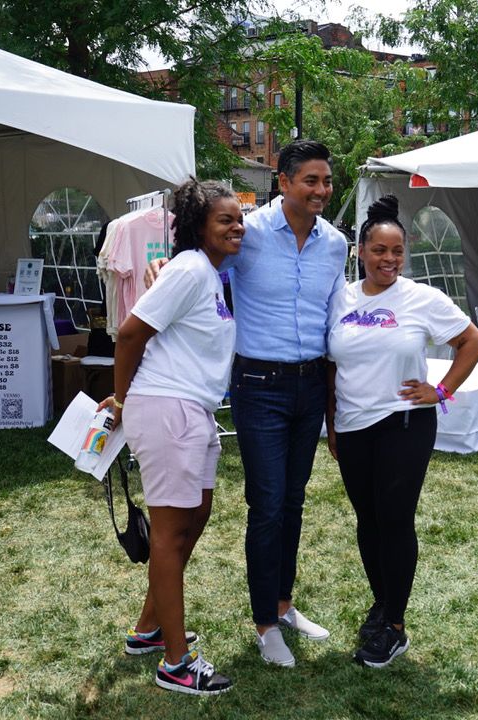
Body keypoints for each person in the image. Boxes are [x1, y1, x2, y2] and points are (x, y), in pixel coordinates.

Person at [144, 140, 346, 667]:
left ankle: (283, 603)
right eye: (311, 181)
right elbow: (200, 269)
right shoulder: (247, 234)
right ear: (283, 182)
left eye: (327, 181)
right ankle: (264, 624)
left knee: (295, 500)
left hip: (310, 383)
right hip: (258, 383)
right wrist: (164, 269)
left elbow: (332, 316)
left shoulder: (335, 245)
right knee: (268, 502)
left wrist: (333, 396)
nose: (322, 190)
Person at [325, 195, 478, 667]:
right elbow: (332, 366)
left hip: (405, 424)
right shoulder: (342, 299)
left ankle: (395, 626)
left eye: (397, 252)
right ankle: (381, 603)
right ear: (361, 251)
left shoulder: (422, 299)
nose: (389, 260)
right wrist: (333, 423)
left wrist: (441, 390)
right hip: (354, 427)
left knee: (394, 521)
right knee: (368, 522)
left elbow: (472, 342)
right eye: (379, 250)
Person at [104, 179, 241, 695]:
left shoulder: (203, 273)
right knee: (169, 532)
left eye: (240, 218)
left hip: (192, 409)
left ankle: (150, 630)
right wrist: (121, 400)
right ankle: (177, 664)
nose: (237, 227)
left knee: (195, 516)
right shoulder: (188, 269)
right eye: (225, 219)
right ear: (197, 226)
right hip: (169, 409)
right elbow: (130, 334)